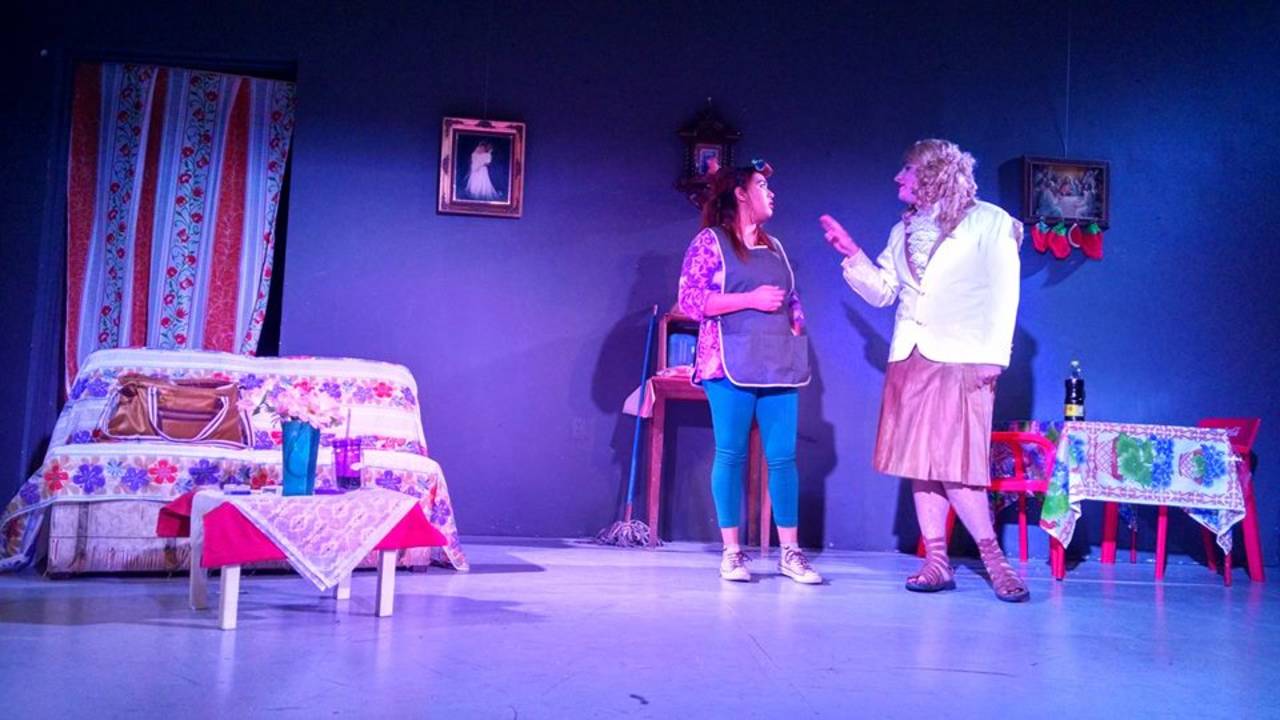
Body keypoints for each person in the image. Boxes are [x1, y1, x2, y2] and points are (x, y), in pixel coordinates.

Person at [819, 139, 1028, 602]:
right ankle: (936, 562)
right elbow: (884, 292)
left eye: (908, 169)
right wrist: (851, 253)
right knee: (921, 462)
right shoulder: (903, 231)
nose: (899, 178)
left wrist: (995, 355)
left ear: (934, 173)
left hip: (962, 356)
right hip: (911, 357)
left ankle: (995, 562)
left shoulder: (989, 221)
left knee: (958, 464)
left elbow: (1004, 292)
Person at [677, 160, 822, 584]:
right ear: (740, 193)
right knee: (731, 454)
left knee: (783, 457)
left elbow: (791, 299)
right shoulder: (711, 242)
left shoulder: (775, 247)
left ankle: (790, 552)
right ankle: (732, 552)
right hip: (728, 362)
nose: (771, 193)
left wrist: (796, 323)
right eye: (762, 185)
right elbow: (690, 300)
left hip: (777, 363)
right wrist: (749, 299)